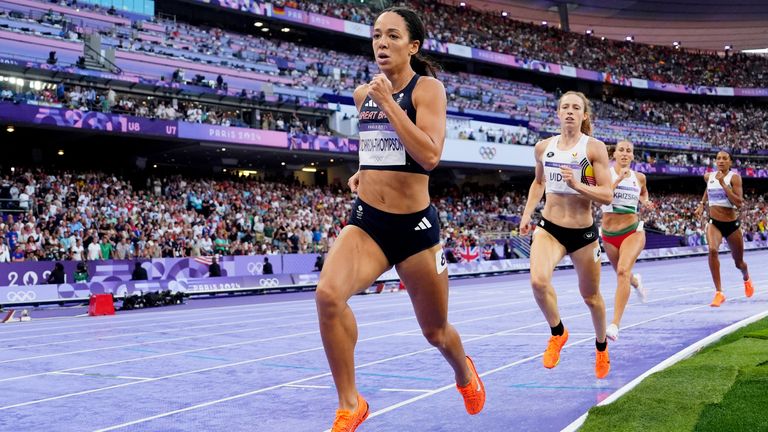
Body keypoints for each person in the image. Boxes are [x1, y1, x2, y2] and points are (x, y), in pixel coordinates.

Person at [315, 7, 484, 432]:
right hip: (368, 221)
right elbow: (377, 147)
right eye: (376, 36)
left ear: (413, 46)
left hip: (415, 231)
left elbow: (428, 156)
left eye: (392, 36)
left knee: (436, 332)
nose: (382, 43)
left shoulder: (428, 90)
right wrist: (363, 170)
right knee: (328, 297)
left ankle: (464, 372)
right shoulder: (361, 95)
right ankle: (350, 403)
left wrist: (390, 103)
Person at [519, 91, 613, 379]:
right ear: (558, 114)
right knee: (538, 281)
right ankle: (557, 332)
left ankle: (601, 348)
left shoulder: (594, 148)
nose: (570, 111)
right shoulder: (543, 147)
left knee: (591, 297)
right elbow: (538, 183)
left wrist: (578, 185)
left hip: (583, 233)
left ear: (584, 115)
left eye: (576, 108)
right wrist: (527, 214)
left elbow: (607, 195)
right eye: (565, 107)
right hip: (550, 228)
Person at [600, 140, 649, 341]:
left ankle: (614, 325)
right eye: (621, 150)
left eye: (629, 151)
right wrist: (618, 180)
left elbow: (644, 193)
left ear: (632, 156)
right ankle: (636, 282)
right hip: (609, 235)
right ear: (614, 154)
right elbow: (601, 198)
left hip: (633, 231)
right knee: (624, 274)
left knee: (622, 271)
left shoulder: (640, 177)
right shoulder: (605, 174)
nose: (625, 153)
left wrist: (646, 202)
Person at [694, 150, 754, 306]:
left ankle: (746, 278)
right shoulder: (709, 176)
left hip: (732, 225)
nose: (721, 161)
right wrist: (702, 204)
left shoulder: (734, 178)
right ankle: (719, 292)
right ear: (715, 161)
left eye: (724, 158)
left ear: (730, 162)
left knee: (739, 263)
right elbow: (708, 188)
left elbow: (739, 203)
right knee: (713, 250)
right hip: (714, 223)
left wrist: (723, 184)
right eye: (718, 158)